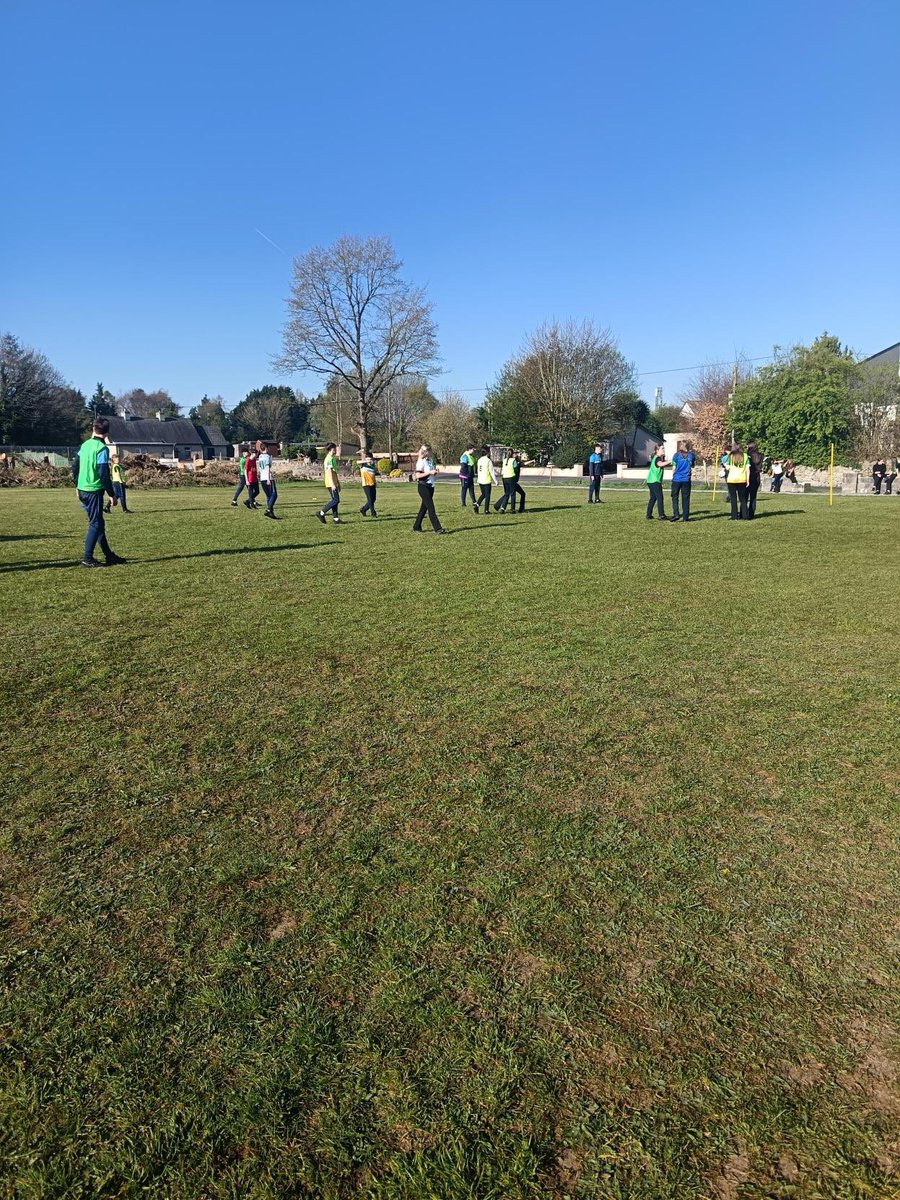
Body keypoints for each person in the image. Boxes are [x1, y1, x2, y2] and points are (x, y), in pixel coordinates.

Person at [71, 417, 126, 568]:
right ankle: (87, 558)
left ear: (93, 429)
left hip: (83, 489)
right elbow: (103, 473)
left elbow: (75, 466)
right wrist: (112, 494)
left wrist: (77, 484)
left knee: (98, 523)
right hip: (93, 490)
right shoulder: (101, 448)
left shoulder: (85, 445)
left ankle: (109, 556)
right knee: (95, 524)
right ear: (107, 433)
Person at [412, 443, 447, 533]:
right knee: (431, 508)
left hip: (430, 486)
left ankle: (416, 526)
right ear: (427, 452)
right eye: (430, 450)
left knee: (423, 509)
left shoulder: (430, 460)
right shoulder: (421, 462)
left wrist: (434, 471)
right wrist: (430, 472)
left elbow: (430, 471)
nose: (431, 452)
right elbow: (418, 475)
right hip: (423, 486)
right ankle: (438, 528)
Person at [316, 443, 342, 523]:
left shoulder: (332, 457)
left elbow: (334, 472)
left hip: (334, 482)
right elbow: (329, 472)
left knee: (335, 500)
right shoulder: (328, 459)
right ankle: (321, 513)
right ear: (332, 449)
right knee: (336, 500)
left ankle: (335, 519)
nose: (336, 450)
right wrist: (333, 484)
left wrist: (337, 482)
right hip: (330, 483)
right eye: (335, 448)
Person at [669, 440, 695, 522]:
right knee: (686, 498)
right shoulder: (691, 455)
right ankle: (685, 517)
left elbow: (673, 468)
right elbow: (693, 466)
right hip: (686, 479)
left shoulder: (676, 455)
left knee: (674, 497)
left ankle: (676, 514)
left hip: (676, 479)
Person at [725, 442, 750, 519]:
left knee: (733, 498)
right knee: (742, 499)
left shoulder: (730, 456)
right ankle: (745, 516)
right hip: (742, 479)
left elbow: (727, 468)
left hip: (731, 479)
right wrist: (748, 480)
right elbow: (747, 469)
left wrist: (725, 465)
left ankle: (734, 516)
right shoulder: (745, 456)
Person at [645, 445, 670, 519]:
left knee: (653, 498)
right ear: (657, 450)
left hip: (650, 481)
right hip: (654, 481)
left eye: (663, 448)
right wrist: (670, 461)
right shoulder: (657, 458)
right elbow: (660, 464)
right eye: (662, 448)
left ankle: (648, 515)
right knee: (660, 497)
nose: (663, 450)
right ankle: (661, 515)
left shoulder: (656, 458)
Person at [257, 441, 278, 518]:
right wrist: (269, 479)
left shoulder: (260, 457)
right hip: (268, 477)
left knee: (268, 496)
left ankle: (271, 513)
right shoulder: (267, 456)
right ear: (266, 448)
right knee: (274, 494)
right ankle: (269, 509)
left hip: (262, 478)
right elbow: (267, 467)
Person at [476, 446, 498, 513]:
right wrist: (495, 481)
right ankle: (486, 510)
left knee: (483, 494)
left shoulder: (479, 460)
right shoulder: (488, 461)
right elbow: (491, 472)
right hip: (486, 480)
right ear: (487, 452)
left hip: (480, 479)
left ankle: (476, 504)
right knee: (487, 495)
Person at [358, 450, 379, 517]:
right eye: (368, 459)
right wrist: (366, 461)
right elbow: (357, 462)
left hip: (372, 484)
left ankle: (363, 509)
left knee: (373, 499)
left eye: (370, 459)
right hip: (366, 485)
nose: (369, 460)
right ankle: (373, 513)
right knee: (370, 499)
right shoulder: (363, 465)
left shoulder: (372, 465)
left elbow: (373, 475)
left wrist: (375, 483)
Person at [746, 441, 763, 519]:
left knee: (745, 496)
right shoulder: (760, 456)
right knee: (753, 497)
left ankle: (744, 513)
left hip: (748, 476)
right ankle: (751, 514)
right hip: (756, 477)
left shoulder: (747, 456)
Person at [458, 444, 478, 510]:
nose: (474, 451)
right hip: (465, 476)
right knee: (464, 489)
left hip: (470, 476)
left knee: (471, 489)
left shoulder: (471, 456)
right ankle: (463, 503)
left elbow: (474, 463)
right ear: (469, 449)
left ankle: (474, 502)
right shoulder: (464, 456)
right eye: (473, 449)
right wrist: (466, 474)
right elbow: (463, 466)